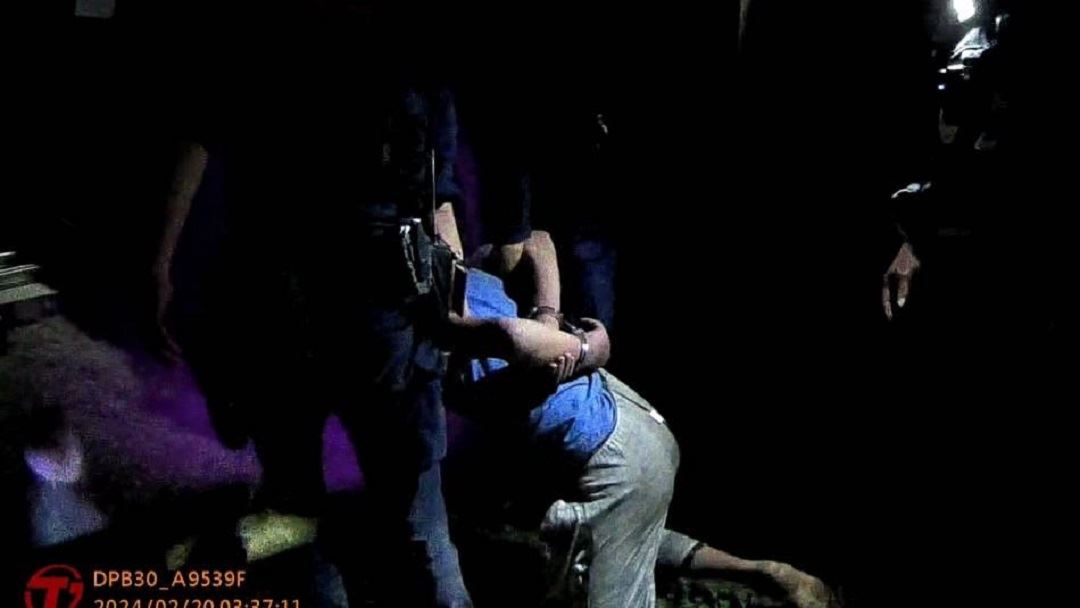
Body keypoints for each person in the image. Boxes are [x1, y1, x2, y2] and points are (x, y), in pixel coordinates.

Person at [148, 17, 472, 606]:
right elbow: (436, 192)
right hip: (343, 299)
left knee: (321, 515)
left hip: (299, 294)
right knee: (406, 523)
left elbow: (202, 130)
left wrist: (163, 263)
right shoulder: (407, 49)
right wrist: (452, 305)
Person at [441, 231, 838, 608]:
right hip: (631, 420)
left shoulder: (438, 324)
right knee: (619, 530)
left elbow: (516, 339)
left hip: (616, 455)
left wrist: (560, 336)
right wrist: (577, 342)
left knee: (614, 528)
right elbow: (538, 244)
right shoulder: (468, 272)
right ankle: (761, 572)